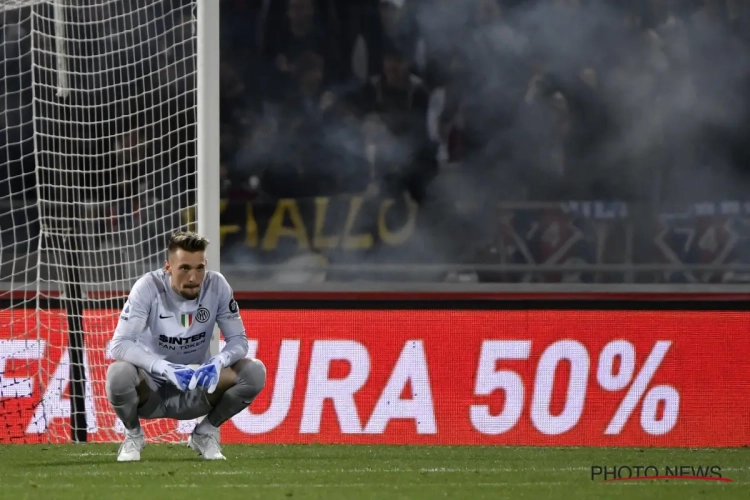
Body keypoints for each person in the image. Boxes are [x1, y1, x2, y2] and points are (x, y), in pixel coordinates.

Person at [105, 231, 266, 462]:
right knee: (118, 374)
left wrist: (218, 361)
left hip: (197, 387)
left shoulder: (217, 286)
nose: (193, 277)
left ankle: (205, 432)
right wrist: (163, 367)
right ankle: (133, 436)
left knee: (254, 371)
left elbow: (239, 341)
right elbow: (119, 345)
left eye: (199, 268)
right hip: (151, 391)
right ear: (168, 267)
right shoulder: (148, 288)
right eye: (184, 268)